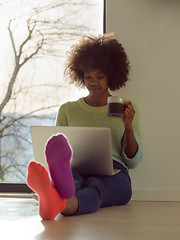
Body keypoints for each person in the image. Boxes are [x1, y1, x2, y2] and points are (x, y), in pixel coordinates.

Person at [26, 33, 142, 220]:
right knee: (71, 176)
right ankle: (61, 192)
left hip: (114, 171)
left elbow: (133, 162)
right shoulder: (68, 110)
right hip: (75, 167)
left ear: (111, 75)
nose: (93, 82)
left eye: (99, 76)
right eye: (88, 77)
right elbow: (56, 150)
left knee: (97, 186)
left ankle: (56, 199)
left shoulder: (126, 108)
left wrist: (128, 127)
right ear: (80, 76)